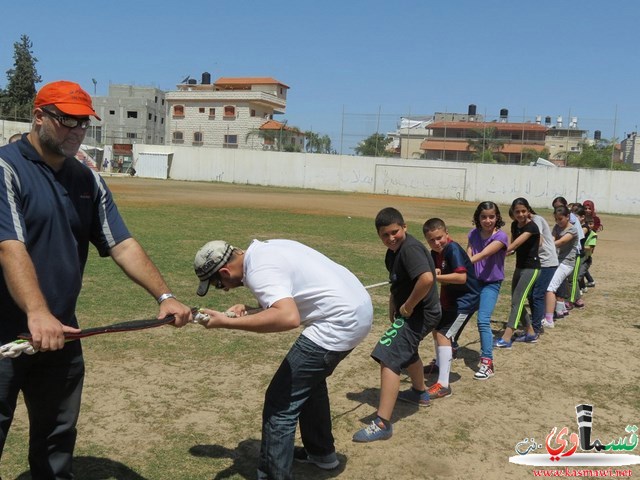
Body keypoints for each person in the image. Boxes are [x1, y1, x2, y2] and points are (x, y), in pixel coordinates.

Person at [0, 80, 192, 478]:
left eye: (83, 123)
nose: (76, 131)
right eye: (66, 120)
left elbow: (120, 243)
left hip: (61, 334)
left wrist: (165, 295)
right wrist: (37, 312)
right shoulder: (5, 169)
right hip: (7, 337)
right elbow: (9, 245)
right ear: (39, 117)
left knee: (56, 439)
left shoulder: (86, 179)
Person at [193, 239, 373, 478]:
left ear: (225, 271)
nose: (223, 289)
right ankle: (322, 454)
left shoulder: (259, 271)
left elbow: (288, 317)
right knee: (308, 385)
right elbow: (286, 299)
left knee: (280, 403)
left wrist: (226, 322)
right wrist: (251, 309)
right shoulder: (265, 248)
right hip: (358, 312)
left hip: (339, 324)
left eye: (218, 284)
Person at [352, 207, 440, 442]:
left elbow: (427, 279)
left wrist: (409, 306)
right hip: (410, 313)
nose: (391, 238)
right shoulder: (394, 252)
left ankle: (382, 423)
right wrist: (395, 306)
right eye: (385, 235)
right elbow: (398, 283)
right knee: (405, 350)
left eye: (395, 232)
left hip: (422, 313)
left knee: (389, 355)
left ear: (404, 228)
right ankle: (420, 393)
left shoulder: (410, 249)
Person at [423, 218, 480, 396]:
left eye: (439, 237)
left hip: (465, 302)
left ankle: (444, 384)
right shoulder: (435, 253)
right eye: (431, 240)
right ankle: (439, 364)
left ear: (447, 233)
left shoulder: (452, 248)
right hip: (449, 300)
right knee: (436, 329)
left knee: (443, 334)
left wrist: (436, 276)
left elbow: (461, 277)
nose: (436, 242)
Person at [466, 201, 508, 380]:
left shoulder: (501, 237)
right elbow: (469, 251)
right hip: (473, 282)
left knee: (483, 321)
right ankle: (448, 349)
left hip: (491, 284)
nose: (488, 220)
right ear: (478, 217)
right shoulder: (473, 233)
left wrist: (462, 265)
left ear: (497, 217)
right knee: (458, 315)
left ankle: (487, 362)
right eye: (484, 217)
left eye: (491, 217)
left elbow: (483, 254)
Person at [495, 198, 540, 348]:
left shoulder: (532, 227)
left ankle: (507, 337)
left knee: (517, 301)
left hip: (532, 268)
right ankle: (531, 333)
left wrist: (495, 251)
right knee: (515, 301)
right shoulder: (515, 225)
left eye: (523, 211)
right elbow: (513, 247)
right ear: (513, 213)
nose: (520, 214)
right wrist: (507, 252)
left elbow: (516, 243)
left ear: (528, 211)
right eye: (517, 212)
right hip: (519, 267)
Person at [542, 205, 580, 328]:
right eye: (556, 219)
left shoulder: (573, 229)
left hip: (567, 263)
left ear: (568, 217)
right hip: (556, 261)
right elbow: (551, 239)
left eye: (560, 218)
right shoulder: (557, 227)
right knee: (552, 286)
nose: (558, 221)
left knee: (550, 288)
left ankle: (549, 320)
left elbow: (561, 242)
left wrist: (544, 246)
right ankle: (559, 309)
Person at [527, 210, 559, 334]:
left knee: (537, 294)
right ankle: (537, 321)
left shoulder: (536, 220)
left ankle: (537, 326)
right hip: (539, 262)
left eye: (523, 211)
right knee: (531, 294)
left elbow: (539, 240)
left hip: (547, 262)